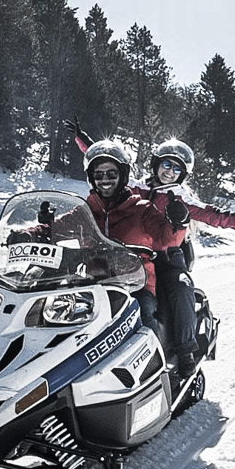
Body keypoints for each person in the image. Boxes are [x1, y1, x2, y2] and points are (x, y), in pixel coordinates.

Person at [141, 138, 235, 369]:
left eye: (177, 168)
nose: (169, 172)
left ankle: (185, 352)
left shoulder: (180, 197)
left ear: (183, 174)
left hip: (166, 258)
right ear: (156, 164)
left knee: (180, 288)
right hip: (133, 256)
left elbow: (217, 216)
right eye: (166, 164)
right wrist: (83, 142)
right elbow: (107, 169)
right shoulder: (137, 188)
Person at [80, 139, 187, 332]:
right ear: (91, 178)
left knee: (142, 314)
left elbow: (168, 238)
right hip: (93, 284)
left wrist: (178, 222)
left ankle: (153, 349)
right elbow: (56, 226)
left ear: (122, 175)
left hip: (135, 285)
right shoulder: (86, 211)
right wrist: (31, 232)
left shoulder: (141, 209)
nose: (105, 179)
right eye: (98, 174)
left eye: (112, 174)